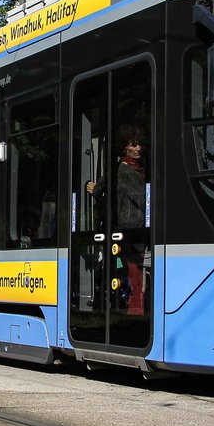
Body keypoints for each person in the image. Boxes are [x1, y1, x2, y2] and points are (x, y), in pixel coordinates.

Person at [86, 128, 148, 316]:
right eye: (133, 145)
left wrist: (94, 188)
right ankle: (134, 309)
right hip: (132, 229)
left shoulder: (120, 169)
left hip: (124, 228)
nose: (138, 148)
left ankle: (130, 306)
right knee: (134, 271)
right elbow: (142, 200)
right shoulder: (126, 171)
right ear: (124, 148)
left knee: (129, 270)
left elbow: (98, 189)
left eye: (139, 144)